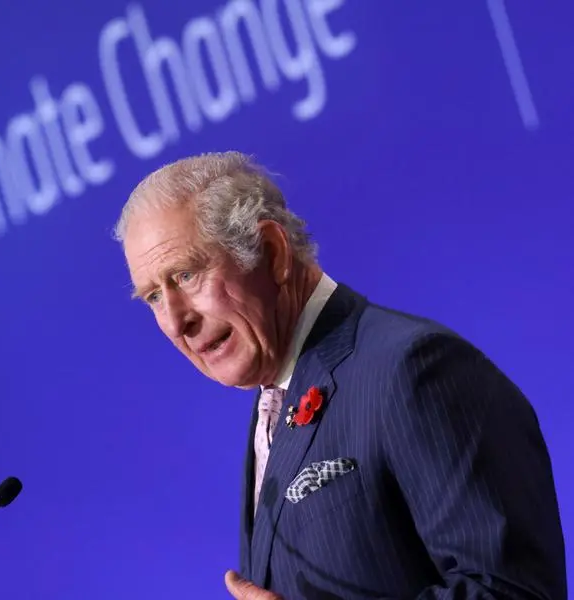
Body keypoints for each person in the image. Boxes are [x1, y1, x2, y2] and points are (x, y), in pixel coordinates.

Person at [114, 152, 567, 599]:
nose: (175, 322)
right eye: (153, 296)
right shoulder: (276, 402)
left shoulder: (414, 370)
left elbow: (511, 591)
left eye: (187, 275)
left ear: (272, 252)